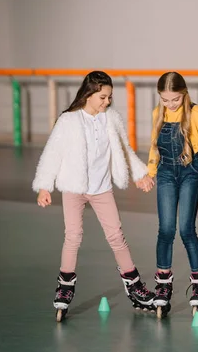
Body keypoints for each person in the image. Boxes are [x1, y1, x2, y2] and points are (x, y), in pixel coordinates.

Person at [32, 70, 156, 321]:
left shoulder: (111, 119)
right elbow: (52, 153)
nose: (106, 102)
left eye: (109, 97)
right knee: (73, 236)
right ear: (88, 94)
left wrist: (139, 174)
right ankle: (65, 287)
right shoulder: (68, 121)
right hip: (74, 188)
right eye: (102, 97)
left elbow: (124, 150)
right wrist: (45, 186)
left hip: (101, 188)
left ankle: (134, 286)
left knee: (116, 236)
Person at [144, 71, 198, 318]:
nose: (170, 104)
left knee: (186, 230)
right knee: (165, 230)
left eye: (175, 99)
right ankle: (163, 284)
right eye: (165, 100)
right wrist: (150, 173)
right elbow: (154, 146)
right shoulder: (157, 114)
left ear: (184, 94)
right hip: (164, 174)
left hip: (189, 173)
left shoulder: (196, 113)